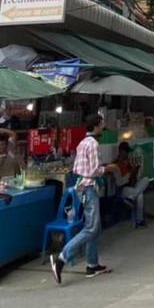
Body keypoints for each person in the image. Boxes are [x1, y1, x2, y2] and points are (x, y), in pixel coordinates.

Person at [50, 114, 111, 282]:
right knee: (91, 228)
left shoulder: (82, 143)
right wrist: (108, 168)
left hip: (82, 187)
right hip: (89, 187)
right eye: (102, 124)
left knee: (95, 227)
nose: (103, 127)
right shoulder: (93, 144)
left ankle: (92, 264)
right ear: (96, 126)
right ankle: (62, 258)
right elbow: (95, 170)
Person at [113, 141, 149, 227]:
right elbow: (120, 182)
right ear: (121, 151)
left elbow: (133, 179)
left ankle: (132, 198)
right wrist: (130, 174)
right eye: (126, 152)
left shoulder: (128, 162)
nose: (127, 154)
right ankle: (139, 220)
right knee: (139, 195)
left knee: (146, 180)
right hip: (123, 189)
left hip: (132, 188)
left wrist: (135, 172)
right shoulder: (116, 164)